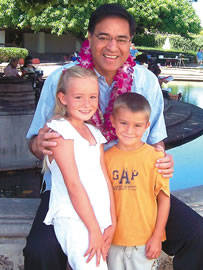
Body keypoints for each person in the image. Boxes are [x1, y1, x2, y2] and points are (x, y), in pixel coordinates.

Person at [24, 3, 203, 270]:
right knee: (40, 251)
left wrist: (162, 160)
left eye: (121, 39)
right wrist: (39, 144)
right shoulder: (62, 79)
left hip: (133, 184)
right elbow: (33, 142)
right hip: (70, 188)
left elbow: (155, 141)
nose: (112, 47)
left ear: (130, 43)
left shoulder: (145, 81)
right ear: (89, 38)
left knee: (199, 235)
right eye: (103, 37)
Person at [42, 66, 116, 269]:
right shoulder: (59, 131)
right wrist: (93, 230)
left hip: (98, 217)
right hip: (74, 219)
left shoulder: (94, 132)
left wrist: (112, 221)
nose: (87, 104)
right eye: (78, 97)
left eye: (93, 97)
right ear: (63, 98)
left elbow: (104, 178)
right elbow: (73, 184)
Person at [105, 92, 170, 270]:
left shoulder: (155, 157)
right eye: (123, 123)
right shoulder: (104, 158)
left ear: (147, 126)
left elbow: (164, 199)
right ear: (113, 121)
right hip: (113, 241)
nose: (129, 131)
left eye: (137, 125)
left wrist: (157, 236)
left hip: (144, 241)